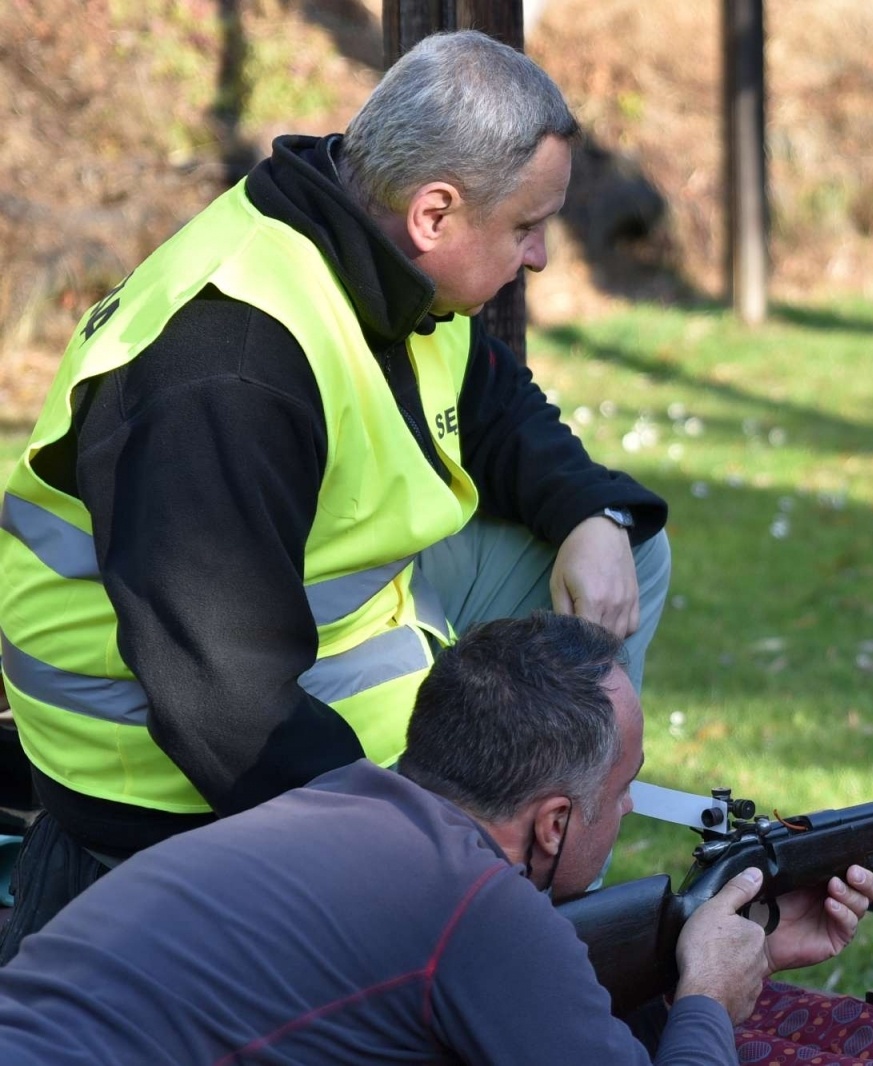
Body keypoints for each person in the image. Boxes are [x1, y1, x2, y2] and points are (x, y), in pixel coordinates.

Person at [0, 29, 669, 957]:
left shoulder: (379, 249)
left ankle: (556, 862)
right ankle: (514, 893)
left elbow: (497, 405)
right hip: (152, 760)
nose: (543, 256)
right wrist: (415, 853)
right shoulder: (229, 367)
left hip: (308, 643)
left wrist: (590, 513)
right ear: (436, 213)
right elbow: (222, 702)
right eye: (527, 227)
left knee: (631, 550)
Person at [0, 612, 873, 1064]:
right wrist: (707, 998)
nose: (627, 810)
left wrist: (727, 955)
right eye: (622, 789)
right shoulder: (479, 908)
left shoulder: (332, 801)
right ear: (554, 823)